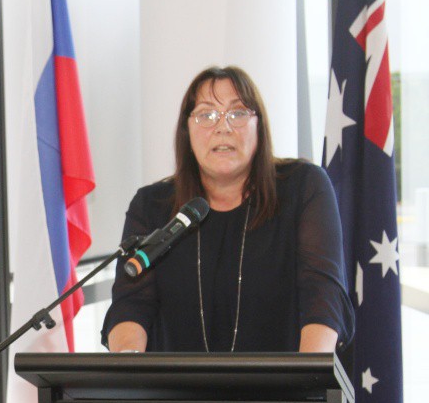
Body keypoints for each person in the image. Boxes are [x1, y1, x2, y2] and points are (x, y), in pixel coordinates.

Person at [102, 66, 354, 353]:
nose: (223, 127)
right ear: (187, 130)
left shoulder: (303, 186)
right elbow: (131, 304)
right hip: (178, 382)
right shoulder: (152, 206)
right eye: (206, 115)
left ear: (259, 126)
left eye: (237, 113)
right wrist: (129, 367)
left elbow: (322, 294)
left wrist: (310, 372)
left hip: (284, 380)